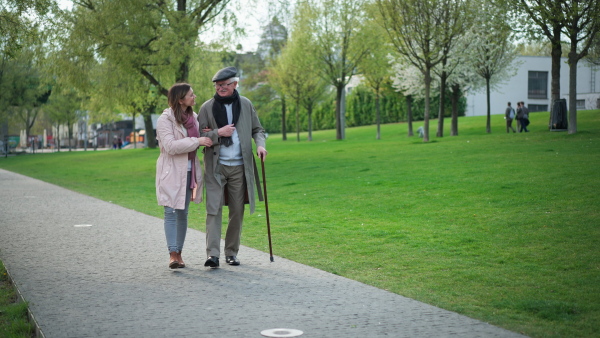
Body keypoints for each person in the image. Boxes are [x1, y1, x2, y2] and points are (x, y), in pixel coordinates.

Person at [198, 66, 267, 268]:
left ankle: (231, 252)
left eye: (224, 85)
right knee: (213, 209)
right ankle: (213, 255)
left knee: (237, 211)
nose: (220, 88)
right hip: (215, 166)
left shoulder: (245, 104)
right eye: (218, 85)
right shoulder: (206, 107)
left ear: (235, 84)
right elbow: (199, 137)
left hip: (239, 167)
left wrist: (261, 145)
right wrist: (219, 132)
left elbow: (258, 129)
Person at [156, 83, 213, 269]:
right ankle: (172, 254)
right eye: (191, 95)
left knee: (183, 212)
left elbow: (200, 135)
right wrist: (197, 141)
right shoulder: (165, 120)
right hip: (171, 171)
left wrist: (205, 135)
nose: (194, 97)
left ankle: (179, 253)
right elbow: (171, 146)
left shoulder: (193, 118)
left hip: (190, 171)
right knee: (170, 211)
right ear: (180, 99)